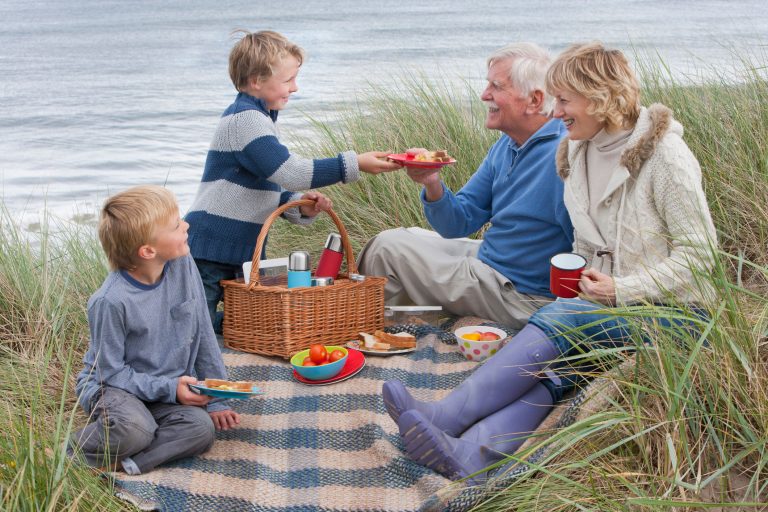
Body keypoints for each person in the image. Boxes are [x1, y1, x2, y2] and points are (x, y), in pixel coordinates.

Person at [382, 42, 718, 481]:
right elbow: (582, 242)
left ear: (600, 99)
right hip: (614, 307)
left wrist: (619, 289)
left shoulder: (665, 157)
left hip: (681, 315)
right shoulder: (576, 153)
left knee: (566, 319)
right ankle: (473, 453)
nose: (556, 113)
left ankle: (446, 416)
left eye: (564, 100)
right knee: (562, 372)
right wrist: (587, 279)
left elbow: (702, 253)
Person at [185, 30, 401, 333]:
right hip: (211, 248)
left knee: (239, 326)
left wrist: (297, 208)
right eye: (288, 81)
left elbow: (266, 187)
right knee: (195, 330)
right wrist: (355, 164)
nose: (295, 88)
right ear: (257, 81)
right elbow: (292, 172)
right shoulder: (245, 119)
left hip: (239, 251)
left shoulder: (260, 118)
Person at [357, 43, 573, 328]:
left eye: (496, 86)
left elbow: (583, 245)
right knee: (400, 237)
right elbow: (457, 223)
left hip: (520, 294)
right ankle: (398, 329)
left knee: (387, 249)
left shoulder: (564, 155)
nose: (485, 95)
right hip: (491, 258)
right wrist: (432, 183)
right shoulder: (507, 146)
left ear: (534, 100)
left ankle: (383, 334)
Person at [69, 185, 241, 475]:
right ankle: (70, 453)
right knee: (137, 430)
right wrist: (171, 389)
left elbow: (202, 331)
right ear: (148, 251)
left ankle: (127, 464)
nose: (186, 225)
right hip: (114, 387)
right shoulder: (109, 301)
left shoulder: (183, 264)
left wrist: (218, 397)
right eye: (176, 225)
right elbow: (110, 372)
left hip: (163, 388)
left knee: (201, 429)